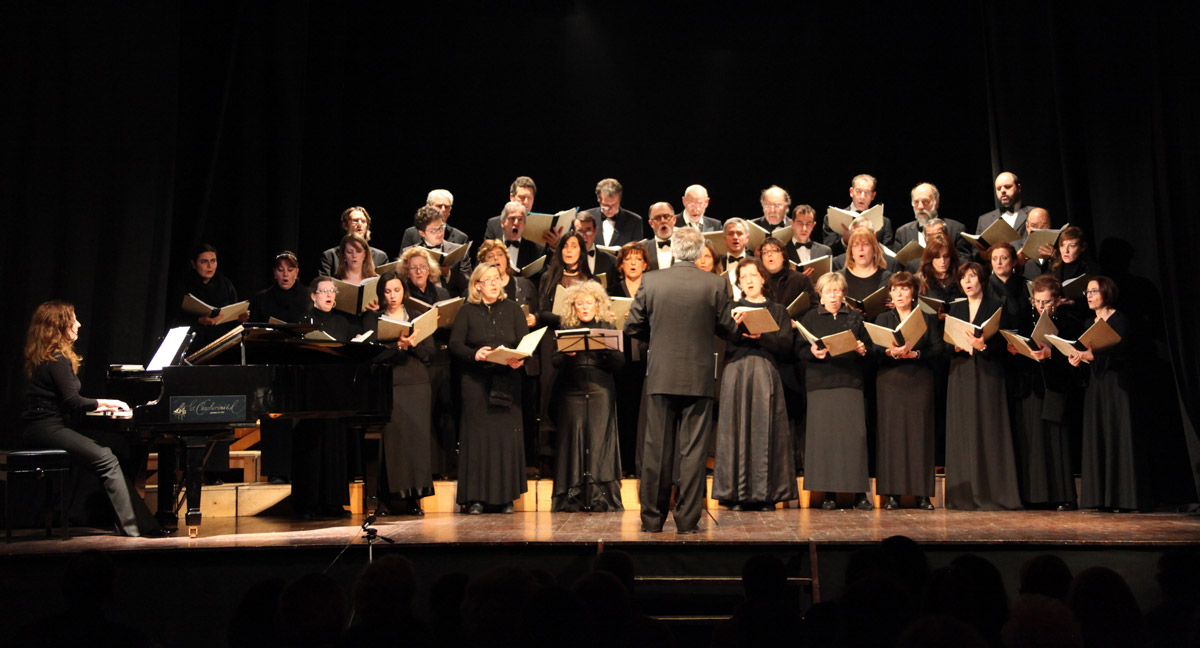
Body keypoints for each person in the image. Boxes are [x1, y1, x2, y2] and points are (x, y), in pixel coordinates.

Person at [625, 226, 735, 533]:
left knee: (656, 450)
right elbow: (727, 328)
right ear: (699, 252)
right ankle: (687, 520)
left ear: (673, 250)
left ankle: (652, 519)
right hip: (698, 376)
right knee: (693, 451)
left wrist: (658, 335)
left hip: (661, 374)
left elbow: (632, 326)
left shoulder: (652, 280)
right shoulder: (715, 283)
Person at [21, 300, 158, 537]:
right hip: (46, 428)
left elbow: (68, 403)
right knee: (106, 459)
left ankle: (141, 523)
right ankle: (133, 530)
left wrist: (102, 407)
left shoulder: (47, 356)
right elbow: (73, 402)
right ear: (60, 324)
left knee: (111, 451)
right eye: (74, 319)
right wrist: (108, 403)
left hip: (45, 426)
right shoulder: (56, 358)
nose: (79, 324)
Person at [712, 258, 798, 511]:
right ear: (739, 282)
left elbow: (785, 345)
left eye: (753, 275)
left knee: (765, 430)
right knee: (735, 429)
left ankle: (766, 495)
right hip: (737, 371)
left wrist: (762, 336)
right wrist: (736, 326)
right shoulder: (731, 308)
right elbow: (724, 338)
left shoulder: (778, 310)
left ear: (762, 278)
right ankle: (736, 494)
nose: (749, 280)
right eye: (743, 277)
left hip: (764, 371)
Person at [448, 263, 530, 514]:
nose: (494, 283)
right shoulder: (467, 311)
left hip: (507, 381)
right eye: (488, 280)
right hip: (476, 383)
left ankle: (506, 497)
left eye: (497, 278)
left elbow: (525, 344)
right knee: (478, 440)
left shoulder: (513, 309)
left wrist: (520, 359)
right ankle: (476, 498)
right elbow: (455, 344)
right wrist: (475, 354)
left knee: (505, 440)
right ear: (477, 285)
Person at [943, 262, 1022, 510]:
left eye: (972, 276)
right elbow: (944, 343)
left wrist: (984, 346)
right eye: (963, 278)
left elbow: (1005, 345)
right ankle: (963, 494)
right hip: (961, 372)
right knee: (963, 429)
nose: (967, 282)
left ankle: (992, 493)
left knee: (988, 428)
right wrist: (955, 346)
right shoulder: (956, 308)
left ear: (982, 280)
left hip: (988, 373)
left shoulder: (995, 306)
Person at [796, 272, 872, 510]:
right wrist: (812, 352)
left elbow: (870, 349)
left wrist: (863, 350)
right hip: (820, 384)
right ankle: (828, 493)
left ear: (843, 294)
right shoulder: (810, 317)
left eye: (837, 291)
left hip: (849, 383)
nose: (833, 296)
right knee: (825, 441)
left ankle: (859, 494)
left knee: (853, 441)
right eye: (828, 291)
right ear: (820, 294)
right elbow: (799, 350)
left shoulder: (855, 318)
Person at [362, 270, 435, 515]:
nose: (392, 296)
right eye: (387, 291)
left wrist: (413, 344)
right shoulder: (373, 318)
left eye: (397, 290)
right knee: (391, 443)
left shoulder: (416, 316)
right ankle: (385, 499)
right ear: (381, 293)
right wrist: (397, 346)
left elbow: (430, 352)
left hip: (417, 384)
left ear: (404, 291)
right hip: (389, 383)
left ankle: (414, 498)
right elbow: (372, 353)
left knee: (416, 441)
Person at [1068, 276, 1143, 511]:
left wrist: (1094, 356)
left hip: (1117, 385)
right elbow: (1085, 354)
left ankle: (1122, 499)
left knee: (1117, 435)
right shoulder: (1088, 322)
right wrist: (1077, 359)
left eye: (1094, 291)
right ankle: (1099, 498)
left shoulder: (1120, 320)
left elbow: (1124, 351)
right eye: (1087, 292)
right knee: (1097, 435)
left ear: (1107, 293)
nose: (1089, 296)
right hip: (1096, 385)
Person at [1007, 274, 1080, 510]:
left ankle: (1062, 496)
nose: (1041, 306)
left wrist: (1051, 354)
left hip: (1053, 387)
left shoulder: (1068, 322)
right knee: (1030, 442)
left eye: (1046, 302)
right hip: (1028, 388)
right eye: (1037, 301)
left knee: (1054, 443)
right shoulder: (1025, 320)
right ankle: (1032, 496)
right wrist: (1015, 349)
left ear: (1057, 301)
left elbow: (1073, 354)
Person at [551, 281, 624, 512]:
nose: (584, 308)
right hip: (572, 391)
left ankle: (600, 496)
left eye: (589, 303)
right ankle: (572, 496)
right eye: (579, 304)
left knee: (599, 440)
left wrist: (605, 352)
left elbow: (620, 364)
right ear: (573, 307)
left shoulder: (606, 327)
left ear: (597, 304)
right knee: (573, 439)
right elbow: (554, 362)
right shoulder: (567, 328)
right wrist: (567, 355)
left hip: (600, 390)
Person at [873, 272, 939, 510]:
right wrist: (889, 352)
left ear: (913, 293)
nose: (899, 294)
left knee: (919, 436)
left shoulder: (926, 318)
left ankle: (922, 494)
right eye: (895, 289)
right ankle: (892, 494)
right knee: (891, 437)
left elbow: (938, 349)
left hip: (919, 381)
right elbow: (873, 350)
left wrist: (916, 354)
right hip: (890, 382)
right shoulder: (883, 318)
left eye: (904, 289)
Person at [292, 277, 355, 519]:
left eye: (332, 290)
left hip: (337, 391)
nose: (329, 294)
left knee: (335, 446)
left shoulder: (342, 322)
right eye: (324, 290)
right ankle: (308, 503)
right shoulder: (303, 321)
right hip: (311, 390)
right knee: (311, 447)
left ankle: (334, 502)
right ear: (313, 295)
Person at [247, 251, 309, 484]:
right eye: (281, 270)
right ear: (274, 272)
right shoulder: (262, 299)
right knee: (274, 418)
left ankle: (301, 469)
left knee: (301, 418)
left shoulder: (307, 296)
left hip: (301, 363)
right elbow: (252, 333)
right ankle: (276, 471)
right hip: (272, 364)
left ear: (297, 272)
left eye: (290, 270)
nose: (285, 274)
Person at [399, 246, 456, 478]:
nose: (419, 271)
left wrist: (440, 322)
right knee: (425, 414)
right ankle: (427, 469)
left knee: (446, 413)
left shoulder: (441, 293)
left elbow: (454, 324)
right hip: (421, 358)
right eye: (413, 268)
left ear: (430, 269)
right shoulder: (405, 296)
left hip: (443, 357)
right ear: (407, 272)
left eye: (422, 267)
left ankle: (447, 467)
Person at [608, 242, 650, 475]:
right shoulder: (612, 290)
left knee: (644, 413)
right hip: (620, 358)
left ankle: (641, 464)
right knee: (623, 411)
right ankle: (624, 464)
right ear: (621, 265)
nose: (633, 263)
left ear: (645, 264)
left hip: (646, 358)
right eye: (628, 259)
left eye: (638, 259)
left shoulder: (651, 290)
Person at [175, 243, 240, 352]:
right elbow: (175, 319)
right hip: (192, 343)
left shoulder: (225, 284)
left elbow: (233, 313)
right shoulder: (184, 285)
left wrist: (239, 317)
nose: (210, 266)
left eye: (213, 261)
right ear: (193, 264)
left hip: (221, 343)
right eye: (204, 261)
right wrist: (199, 321)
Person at [403, 205, 472, 296]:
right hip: (421, 300)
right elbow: (404, 283)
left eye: (441, 227)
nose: (440, 233)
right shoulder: (409, 253)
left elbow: (469, 282)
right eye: (433, 231)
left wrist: (448, 274)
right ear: (422, 233)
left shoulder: (459, 250)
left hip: (451, 300)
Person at [892, 182, 970, 258]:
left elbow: (965, 260)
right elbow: (897, 263)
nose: (920, 207)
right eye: (916, 202)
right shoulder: (902, 232)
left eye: (925, 201)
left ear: (937, 202)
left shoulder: (956, 229)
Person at [823, 173, 895, 254]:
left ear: (873, 195)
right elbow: (828, 253)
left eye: (867, 192)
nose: (862, 197)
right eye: (858, 191)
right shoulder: (833, 217)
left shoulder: (884, 222)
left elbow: (888, 256)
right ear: (851, 192)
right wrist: (845, 241)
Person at [318, 206, 390, 276]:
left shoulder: (380, 257)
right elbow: (323, 282)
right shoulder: (330, 256)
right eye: (355, 221)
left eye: (363, 221)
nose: (360, 224)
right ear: (345, 225)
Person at [974, 172, 1032, 256]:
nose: (1002, 191)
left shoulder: (1034, 214)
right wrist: (984, 256)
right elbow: (975, 252)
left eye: (1007, 187)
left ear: (1018, 188)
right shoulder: (984, 220)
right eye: (998, 188)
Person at [579, 178, 645, 248]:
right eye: (606, 205)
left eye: (614, 205)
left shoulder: (634, 221)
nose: (610, 210)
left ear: (620, 199)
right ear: (598, 198)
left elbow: (637, 251)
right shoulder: (586, 217)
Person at [399, 189, 471, 250]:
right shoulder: (411, 234)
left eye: (446, 206)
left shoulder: (461, 238)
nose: (443, 210)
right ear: (428, 207)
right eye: (439, 206)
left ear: (450, 210)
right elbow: (403, 261)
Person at [838, 227, 893, 305]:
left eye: (865, 244)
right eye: (856, 245)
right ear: (851, 251)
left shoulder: (888, 278)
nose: (860, 248)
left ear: (874, 249)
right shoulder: (840, 278)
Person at [784, 205, 833, 276]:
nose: (804, 228)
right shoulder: (782, 251)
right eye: (800, 223)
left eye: (808, 224)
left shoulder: (825, 251)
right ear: (792, 224)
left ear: (813, 225)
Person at [643, 202, 677, 270]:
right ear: (651, 223)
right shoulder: (643, 249)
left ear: (674, 219)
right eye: (657, 218)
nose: (663, 221)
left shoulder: (687, 245)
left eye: (666, 216)